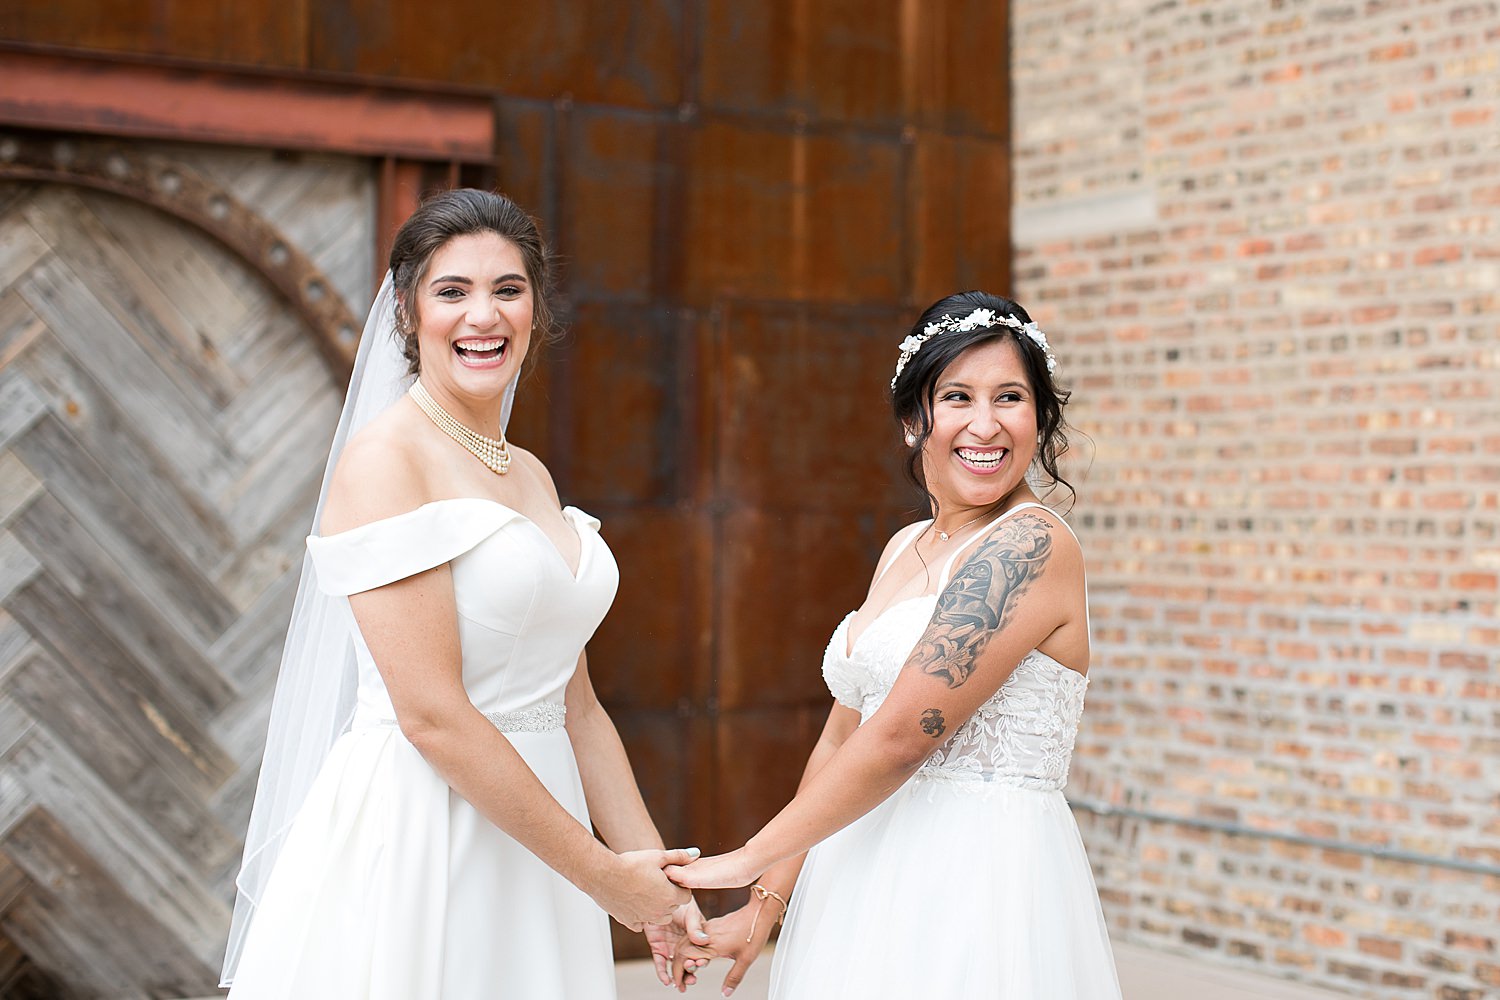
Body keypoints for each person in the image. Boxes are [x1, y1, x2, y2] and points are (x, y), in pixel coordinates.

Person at [221, 188, 708, 998]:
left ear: (535, 311)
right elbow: (434, 718)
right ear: (408, 314)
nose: (483, 316)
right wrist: (603, 876)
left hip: (542, 840)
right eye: (453, 292)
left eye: (507, 290)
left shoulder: (528, 471)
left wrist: (647, 878)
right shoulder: (389, 462)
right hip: (429, 830)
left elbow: (577, 706)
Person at [667, 291, 1122, 998]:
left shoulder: (1031, 544)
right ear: (915, 419)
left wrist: (750, 852)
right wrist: (767, 899)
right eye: (958, 397)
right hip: (861, 872)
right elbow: (842, 736)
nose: (985, 424)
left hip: (975, 884)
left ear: (1040, 417)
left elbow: (904, 736)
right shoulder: (905, 546)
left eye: (1010, 397)